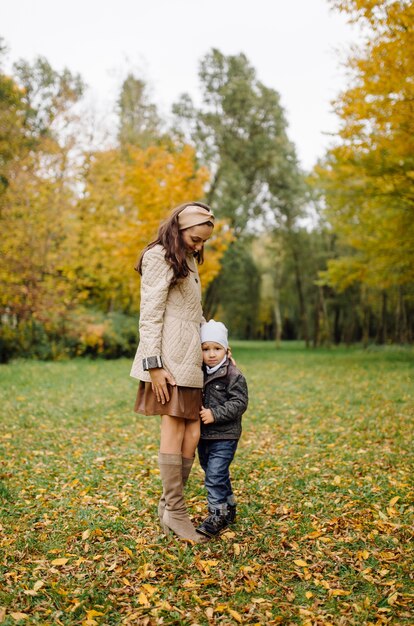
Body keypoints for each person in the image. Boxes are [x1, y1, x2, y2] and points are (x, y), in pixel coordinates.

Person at [130, 202, 215, 543]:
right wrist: (154, 366)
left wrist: (217, 341)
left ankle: (169, 507)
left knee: (192, 433)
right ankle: (176, 513)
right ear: (179, 229)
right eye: (195, 238)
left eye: (203, 241)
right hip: (167, 361)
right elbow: (149, 314)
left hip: (189, 357)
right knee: (176, 428)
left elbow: (193, 312)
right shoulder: (158, 256)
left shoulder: (188, 259)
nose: (198, 246)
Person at [196, 320, 248, 538]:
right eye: (206, 349)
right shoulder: (199, 372)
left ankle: (217, 516)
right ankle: (229, 506)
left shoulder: (233, 375)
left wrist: (215, 414)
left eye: (217, 348)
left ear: (227, 350)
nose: (211, 354)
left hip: (226, 435)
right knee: (213, 471)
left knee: (215, 475)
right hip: (204, 437)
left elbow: (240, 403)